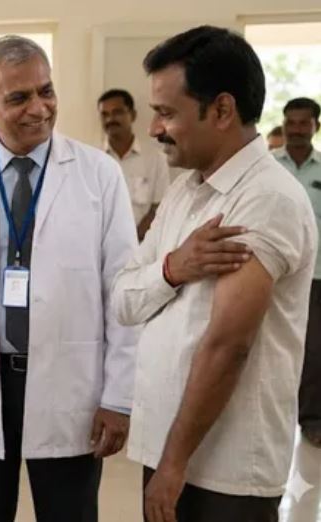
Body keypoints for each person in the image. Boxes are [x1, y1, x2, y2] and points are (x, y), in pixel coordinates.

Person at [0, 35, 138, 522]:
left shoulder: (99, 175)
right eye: (19, 97)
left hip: (70, 384)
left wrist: (119, 397)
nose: (39, 108)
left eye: (46, 91)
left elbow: (122, 293)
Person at [112, 26, 317, 522]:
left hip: (225, 469)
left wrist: (174, 463)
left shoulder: (266, 199)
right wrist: (173, 268)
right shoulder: (186, 191)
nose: (154, 129)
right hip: (170, 451)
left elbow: (228, 346)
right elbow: (123, 299)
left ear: (222, 110)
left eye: (166, 113)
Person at [272, 96, 321, 448]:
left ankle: (312, 419)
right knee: (267, 347)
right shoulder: (268, 167)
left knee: (314, 350)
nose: (297, 129)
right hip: (270, 273)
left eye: (305, 122)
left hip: (316, 275)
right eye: (291, 122)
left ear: (316, 127)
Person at [98, 88, 172, 241]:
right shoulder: (93, 160)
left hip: (142, 245)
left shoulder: (156, 159)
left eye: (117, 112)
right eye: (104, 114)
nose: (110, 119)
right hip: (99, 245)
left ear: (133, 115)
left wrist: (133, 240)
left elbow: (159, 207)